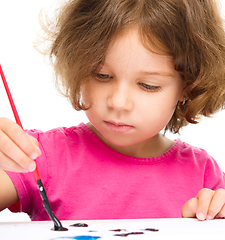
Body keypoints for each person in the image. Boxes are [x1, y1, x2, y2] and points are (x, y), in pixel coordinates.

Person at [0, 0, 225, 221]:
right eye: (102, 76)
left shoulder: (204, 175)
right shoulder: (36, 156)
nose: (118, 102)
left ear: (188, 86)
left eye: (148, 85)